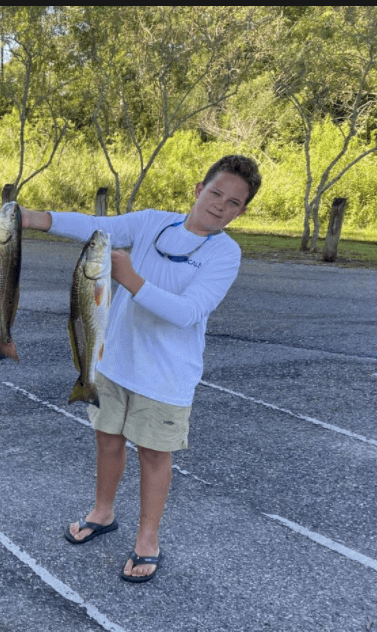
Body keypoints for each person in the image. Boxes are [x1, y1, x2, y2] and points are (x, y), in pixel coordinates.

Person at [20, 155, 261, 582]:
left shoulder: (226, 253)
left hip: (166, 375)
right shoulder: (154, 223)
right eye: (216, 192)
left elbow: (189, 312)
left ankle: (147, 539)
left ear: (241, 211)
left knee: (153, 453)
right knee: (107, 439)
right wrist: (37, 219)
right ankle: (103, 511)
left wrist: (132, 278)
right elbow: (98, 227)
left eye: (234, 203)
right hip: (113, 359)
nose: (221, 205)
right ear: (198, 189)